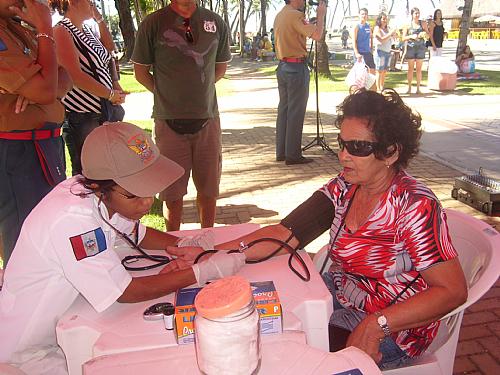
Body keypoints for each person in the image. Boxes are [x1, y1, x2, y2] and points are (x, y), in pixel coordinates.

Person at [168, 89, 468, 370]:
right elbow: (284, 234)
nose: (343, 156)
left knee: (287, 361)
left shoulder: (414, 205)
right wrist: (210, 254)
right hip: (337, 298)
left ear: (390, 153)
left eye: (358, 147)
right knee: (260, 326)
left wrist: (376, 324)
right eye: (342, 144)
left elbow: (452, 292)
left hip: (394, 327)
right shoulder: (345, 187)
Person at [0, 122, 247, 372]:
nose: (147, 202)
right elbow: (125, 292)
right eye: (135, 195)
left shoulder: (94, 189)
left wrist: (182, 244)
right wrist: (202, 272)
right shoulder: (71, 220)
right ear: (99, 186)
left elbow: (134, 231)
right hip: (24, 352)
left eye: (150, 189)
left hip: (59, 323)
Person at [131, 0, 231, 231]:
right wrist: (167, 94)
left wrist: (198, 91)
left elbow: (220, 67)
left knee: (208, 191)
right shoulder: (153, 23)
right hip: (168, 123)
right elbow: (140, 72)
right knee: (172, 195)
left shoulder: (215, 22)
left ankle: (207, 238)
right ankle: (173, 243)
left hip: (207, 121)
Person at [0, 0, 72, 265]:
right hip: (16, 154)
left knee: (48, 234)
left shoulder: (16, 28)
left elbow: (62, 78)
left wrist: (43, 89)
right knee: (24, 244)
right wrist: (45, 28)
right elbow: (46, 89)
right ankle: (20, 306)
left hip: (42, 148)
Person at [50, 0, 127, 176]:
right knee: (90, 174)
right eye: (89, 1)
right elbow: (74, 76)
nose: (92, 4)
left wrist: (100, 20)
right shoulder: (62, 30)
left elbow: (109, 51)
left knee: (108, 171)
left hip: (103, 113)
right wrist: (109, 94)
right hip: (83, 116)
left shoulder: (86, 30)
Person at [273, 0, 327, 165]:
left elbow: (295, 32)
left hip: (283, 66)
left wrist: (310, 23)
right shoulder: (296, 16)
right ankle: (293, 155)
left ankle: (282, 151)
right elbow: (317, 36)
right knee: (296, 113)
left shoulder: (281, 14)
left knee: (284, 110)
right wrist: (321, 16)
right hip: (296, 68)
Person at [402, 7, 429, 94]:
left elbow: (428, 35)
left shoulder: (423, 23)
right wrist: (411, 36)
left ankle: (418, 88)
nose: (417, 15)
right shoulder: (407, 25)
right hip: (411, 48)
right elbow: (403, 38)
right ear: (412, 15)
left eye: (418, 13)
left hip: (420, 48)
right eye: (415, 13)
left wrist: (424, 34)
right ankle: (409, 88)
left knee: (419, 69)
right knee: (410, 69)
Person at [373, 12, 396, 91]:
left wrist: (393, 34)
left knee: (384, 71)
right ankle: (378, 88)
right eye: (383, 19)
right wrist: (390, 34)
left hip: (387, 51)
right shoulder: (377, 28)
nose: (385, 20)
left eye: (386, 19)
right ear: (379, 19)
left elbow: (393, 39)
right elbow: (381, 40)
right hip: (380, 52)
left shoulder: (388, 29)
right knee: (379, 71)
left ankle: (382, 87)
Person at [353, 8, 375, 75]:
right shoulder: (357, 26)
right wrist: (356, 53)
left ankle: (369, 85)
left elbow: (371, 37)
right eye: (362, 14)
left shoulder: (368, 26)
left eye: (365, 14)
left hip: (367, 52)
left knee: (372, 72)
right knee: (360, 74)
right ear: (359, 15)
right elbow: (354, 41)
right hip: (360, 53)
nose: (364, 15)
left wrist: (371, 49)